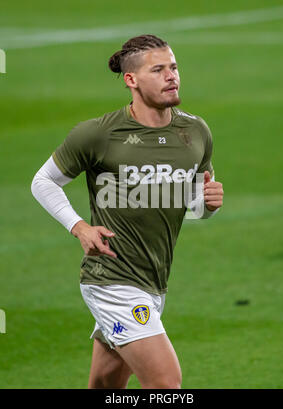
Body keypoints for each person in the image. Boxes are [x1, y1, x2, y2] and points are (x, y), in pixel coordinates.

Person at [31, 34, 224, 389]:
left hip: (154, 279)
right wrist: (79, 227)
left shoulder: (194, 132)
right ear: (131, 79)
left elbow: (195, 205)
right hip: (112, 280)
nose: (172, 76)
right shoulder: (99, 134)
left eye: (174, 67)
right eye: (159, 69)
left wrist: (207, 204)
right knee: (166, 385)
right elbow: (43, 182)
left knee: (105, 387)